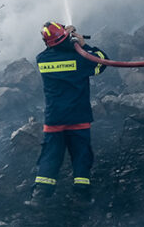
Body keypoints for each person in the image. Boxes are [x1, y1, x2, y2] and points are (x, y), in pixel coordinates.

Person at [25, 21, 108, 208]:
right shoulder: (81, 59)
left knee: (50, 155)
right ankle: (82, 195)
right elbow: (102, 62)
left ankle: (39, 196)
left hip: (54, 118)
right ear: (65, 38)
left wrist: (65, 39)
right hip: (78, 117)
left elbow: (52, 49)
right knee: (81, 154)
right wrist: (82, 44)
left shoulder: (42, 60)